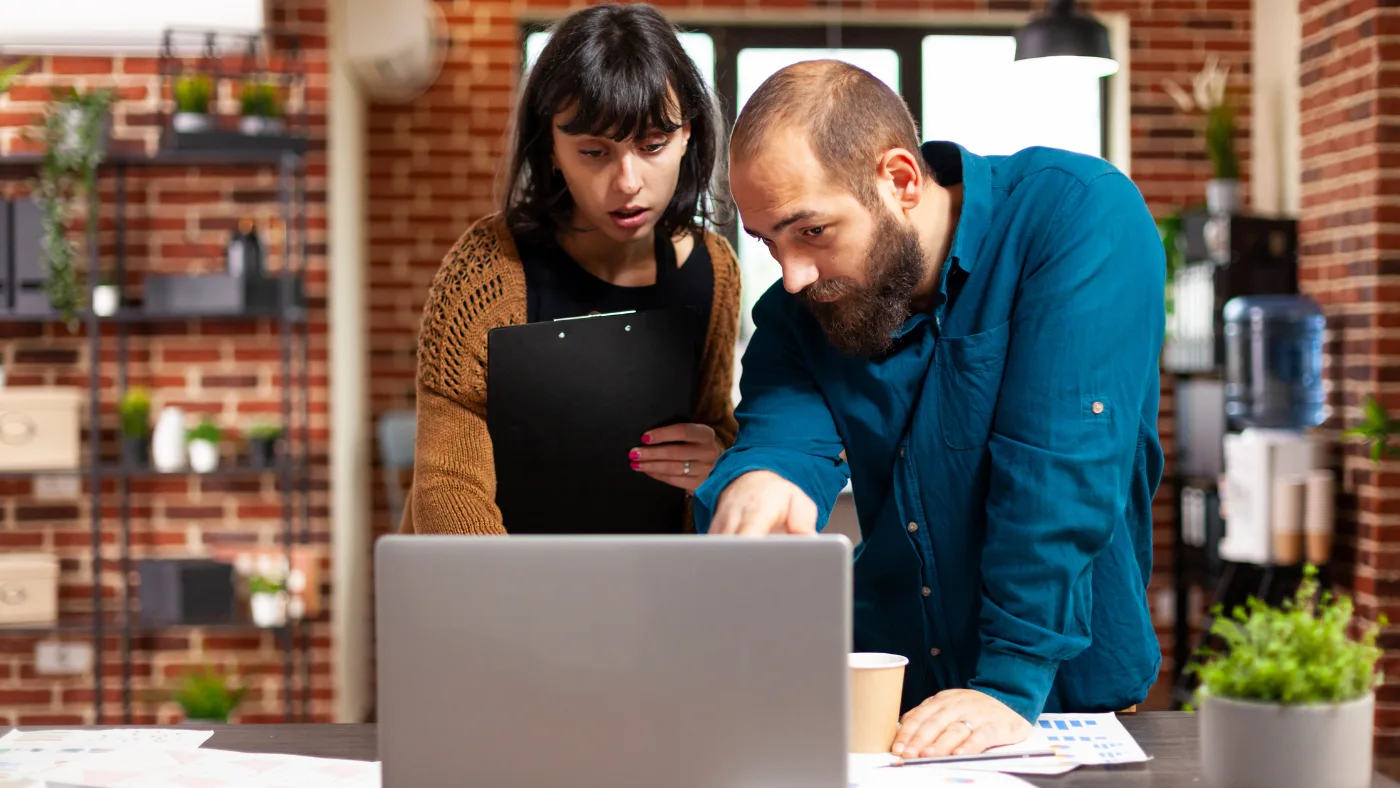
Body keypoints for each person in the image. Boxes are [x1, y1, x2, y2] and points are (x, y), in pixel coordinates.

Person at [694, 61, 1163, 758]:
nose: (792, 275)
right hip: (892, 713)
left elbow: (1059, 471)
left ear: (902, 181)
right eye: (768, 243)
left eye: (811, 232)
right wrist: (763, 476)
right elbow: (784, 428)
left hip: (1060, 700)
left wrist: (1008, 682)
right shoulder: (802, 309)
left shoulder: (1075, 217)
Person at [402, 3, 740, 535]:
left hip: (653, 588)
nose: (627, 181)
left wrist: (718, 457)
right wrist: (522, 605)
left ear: (688, 135)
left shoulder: (714, 268)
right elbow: (448, 484)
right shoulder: (489, 268)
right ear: (553, 149)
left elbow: (713, 421)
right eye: (593, 152)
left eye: (652, 146)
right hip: (504, 594)